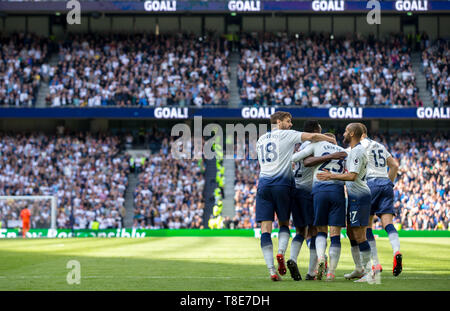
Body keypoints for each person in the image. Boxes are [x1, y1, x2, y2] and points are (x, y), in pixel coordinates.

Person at [255, 111, 336, 281]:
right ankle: (281, 253)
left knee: (265, 228)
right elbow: (312, 136)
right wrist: (330, 140)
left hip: (263, 184)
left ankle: (271, 270)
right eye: (288, 121)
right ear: (278, 122)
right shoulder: (288, 135)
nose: (291, 124)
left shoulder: (261, 140)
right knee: (286, 223)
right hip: (284, 185)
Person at [287, 121, 347, 281]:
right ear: (316, 132)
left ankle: (293, 258)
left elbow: (295, 159)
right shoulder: (341, 150)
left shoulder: (305, 145)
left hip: (300, 190)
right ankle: (317, 271)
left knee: (302, 231)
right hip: (322, 190)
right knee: (322, 232)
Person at [317, 123, 375, 284]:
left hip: (360, 197)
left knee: (359, 235)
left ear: (351, 133)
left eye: (345, 131)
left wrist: (331, 176)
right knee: (351, 233)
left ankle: (371, 272)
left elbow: (352, 176)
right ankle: (359, 269)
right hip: (354, 197)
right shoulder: (353, 151)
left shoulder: (357, 151)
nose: (343, 133)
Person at [357, 123, 402, 277]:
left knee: (367, 226)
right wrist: (388, 183)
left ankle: (376, 263)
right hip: (385, 183)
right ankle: (396, 251)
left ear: (359, 133)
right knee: (388, 224)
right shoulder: (380, 146)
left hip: (370, 183)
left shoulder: (360, 145)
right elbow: (395, 166)